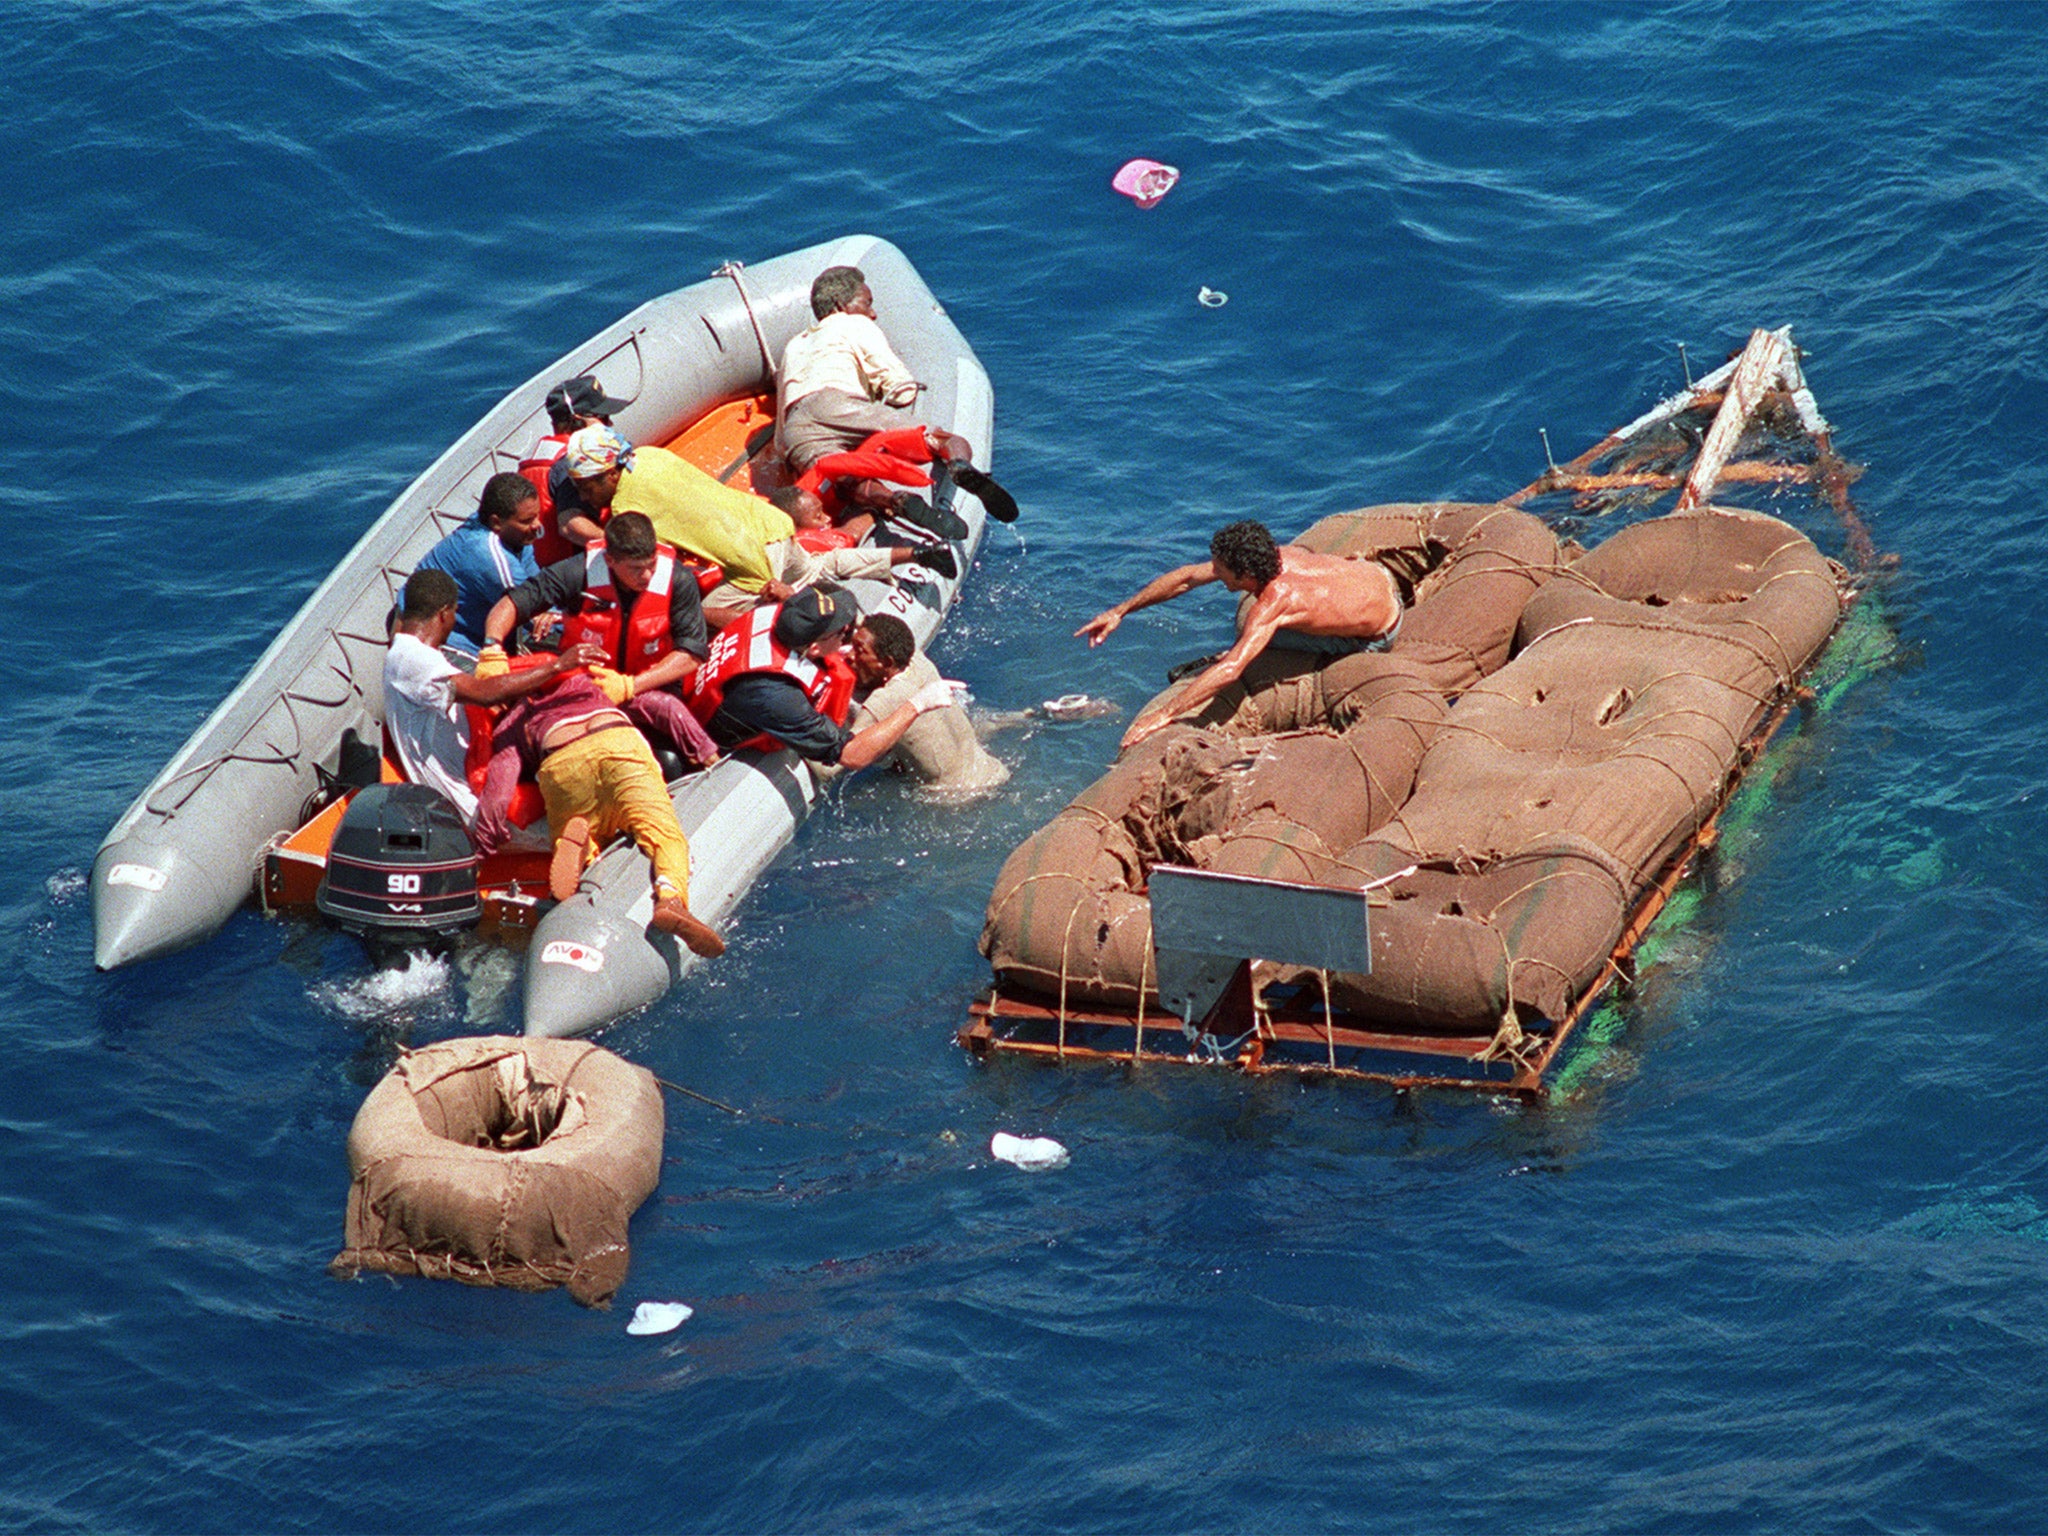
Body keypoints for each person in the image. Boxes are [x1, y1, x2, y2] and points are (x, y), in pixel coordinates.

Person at [386, 570, 722, 956]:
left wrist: (479, 851)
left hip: (560, 761)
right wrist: (709, 757)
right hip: (618, 742)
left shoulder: (513, 719)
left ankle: (582, 846)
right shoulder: (592, 683)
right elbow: (663, 706)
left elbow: (500, 782)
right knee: (659, 834)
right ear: (447, 613)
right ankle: (670, 899)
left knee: (586, 821)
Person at [561, 427, 955, 627]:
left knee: (698, 612)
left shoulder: (627, 506)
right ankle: (918, 553)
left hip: (753, 563)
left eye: (586, 485)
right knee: (821, 566)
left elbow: (646, 557)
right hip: (772, 524)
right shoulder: (649, 455)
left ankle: (818, 622)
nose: (584, 494)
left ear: (608, 474)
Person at [1077, 519, 1405, 750]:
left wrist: (1165, 713)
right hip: (1382, 579)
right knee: (1256, 629)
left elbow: (1233, 669)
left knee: (1256, 640)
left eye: (1221, 571)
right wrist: (1119, 611)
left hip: (1378, 635)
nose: (1215, 574)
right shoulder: (1277, 555)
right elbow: (1188, 577)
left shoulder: (1275, 601)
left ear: (1246, 573)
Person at [778, 265, 1018, 523]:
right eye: (867, 303)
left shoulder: (794, 345)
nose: (873, 313)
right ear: (840, 305)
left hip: (795, 428)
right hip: (836, 404)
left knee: (848, 479)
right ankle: (960, 464)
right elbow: (901, 389)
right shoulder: (852, 323)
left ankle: (895, 501)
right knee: (937, 437)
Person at [481, 511, 718, 767]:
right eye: (636, 569)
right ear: (610, 561)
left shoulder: (678, 580)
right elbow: (512, 603)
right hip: (586, 687)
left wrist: (630, 686)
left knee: (668, 764)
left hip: (650, 684)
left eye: (652, 565)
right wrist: (491, 646)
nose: (648, 576)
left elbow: (691, 654)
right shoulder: (577, 573)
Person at [686, 586, 956, 769]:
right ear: (814, 647)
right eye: (842, 634)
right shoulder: (779, 697)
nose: (847, 638)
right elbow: (851, 756)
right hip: (710, 736)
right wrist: (918, 704)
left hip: (706, 691)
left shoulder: (771, 616)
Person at [842, 613, 1009, 793]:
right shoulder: (918, 660)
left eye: (859, 651)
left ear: (886, 662)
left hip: (954, 797)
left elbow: (846, 758)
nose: (850, 656)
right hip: (994, 771)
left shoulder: (885, 699)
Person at [414, 473, 545, 657]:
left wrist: (552, 612)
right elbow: (530, 603)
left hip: (475, 626)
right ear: (496, 522)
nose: (537, 525)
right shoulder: (487, 554)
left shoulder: (516, 535)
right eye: (526, 521)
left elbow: (539, 585)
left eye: (536, 516)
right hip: (443, 643)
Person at [521, 373, 635, 562]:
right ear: (580, 421)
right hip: (577, 566)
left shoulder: (538, 455)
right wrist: (628, 546)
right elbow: (571, 526)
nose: (610, 424)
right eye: (604, 418)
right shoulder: (576, 462)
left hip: (544, 566)